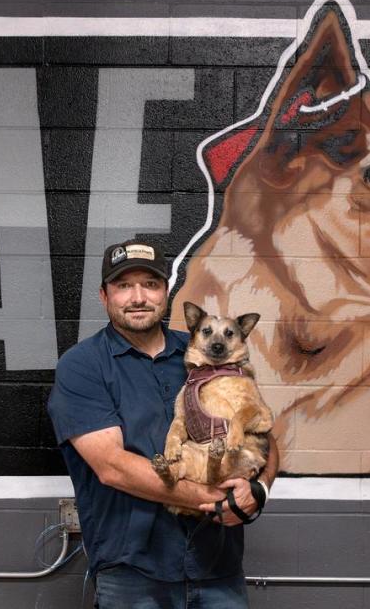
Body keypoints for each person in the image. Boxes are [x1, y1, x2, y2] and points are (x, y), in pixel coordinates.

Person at [47, 239, 278, 609]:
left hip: (218, 569)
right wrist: (216, 501)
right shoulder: (84, 365)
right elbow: (113, 468)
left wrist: (259, 490)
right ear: (104, 296)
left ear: (166, 293)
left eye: (150, 284)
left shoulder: (205, 351)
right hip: (133, 575)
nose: (138, 296)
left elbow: (261, 431)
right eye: (124, 286)